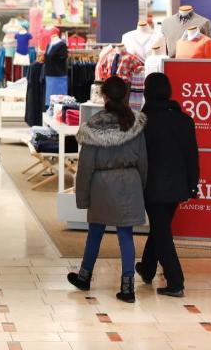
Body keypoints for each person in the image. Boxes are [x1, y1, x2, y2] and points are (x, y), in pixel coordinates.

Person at [67, 76, 148, 303]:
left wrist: (81, 197)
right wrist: (140, 187)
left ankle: (84, 275)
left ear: (103, 96)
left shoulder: (93, 127)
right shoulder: (136, 124)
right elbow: (143, 160)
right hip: (130, 181)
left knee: (95, 233)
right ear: (126, 95)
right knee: (125, 235)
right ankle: (128, 285)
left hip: (102, 185)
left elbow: (85, 167)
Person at [135, 72, 199, 297]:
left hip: (151, 185)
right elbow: (192, 155)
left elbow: (138, 156)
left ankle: (175, 281)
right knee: (160, 227)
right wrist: (193, 185)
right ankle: (148, 268)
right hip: (178, 186)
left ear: (147, 92)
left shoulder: (143, 122)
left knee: (162, 232)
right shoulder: (184, 120)